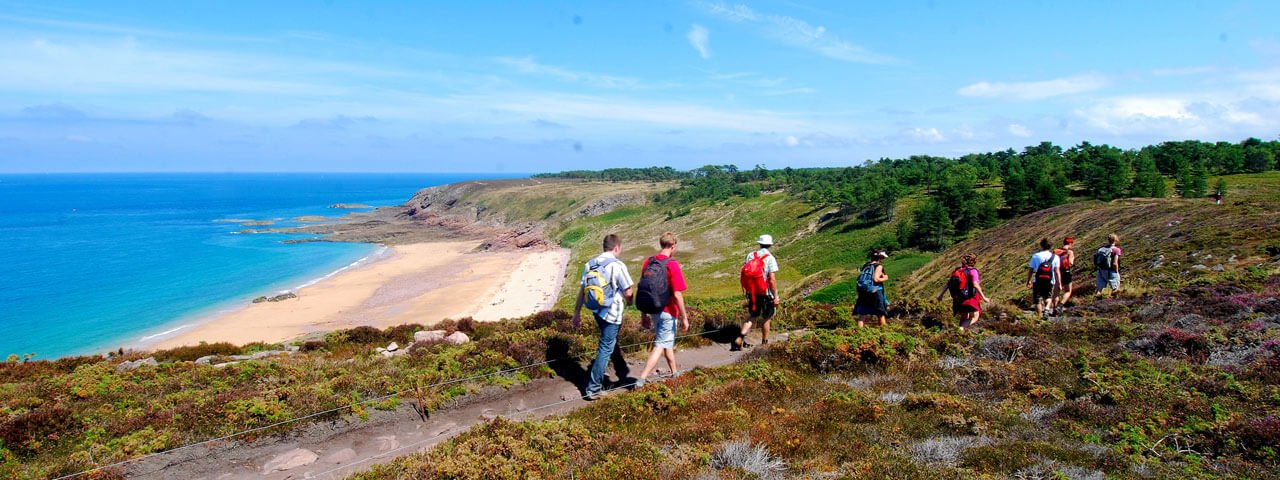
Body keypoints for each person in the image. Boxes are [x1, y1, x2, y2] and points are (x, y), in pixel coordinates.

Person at [572, 234, 635, 400]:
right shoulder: (617, 265)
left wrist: (577, 313)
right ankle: (593, 388)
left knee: (609, 343)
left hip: (597, 311)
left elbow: (582, 291)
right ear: (616, 248)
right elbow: (628, 291)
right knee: (605, 348)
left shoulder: (590, 264)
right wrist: (630, 302)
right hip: (612, 313)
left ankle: (612, 370)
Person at [635, 232, 689, 388]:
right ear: (673, 246)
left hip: (653, 309)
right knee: (660, 344)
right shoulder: (672, 264)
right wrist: (684, 317)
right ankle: (642, 378)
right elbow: (678, 294)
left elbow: (643, 289)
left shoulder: (649, 262)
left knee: (666, 341)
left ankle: (674, 372)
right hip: (668, 310)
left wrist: (643, 314)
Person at [736, 234, 779, 350]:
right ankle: (765, 343)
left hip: (753, 292)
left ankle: (740, 337)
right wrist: (775, 296)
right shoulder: (770, 258)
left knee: (753, 315)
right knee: (767, 317)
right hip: (765, 293)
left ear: (759, 243)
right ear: (770, 245)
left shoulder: (750, 255)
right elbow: (771, 279)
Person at [936, 253, 987, 332]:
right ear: (973, 261)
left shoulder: (957, 270)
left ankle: (960, 334)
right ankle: (960, 330)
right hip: (969, 299)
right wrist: (983, 297)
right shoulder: (972, 271)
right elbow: (975, 284)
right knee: (975, 316)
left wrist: (941, 295)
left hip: (958, 299)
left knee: (965, 316)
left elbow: (948, 284)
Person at [854, 249, 890, 327]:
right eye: (882, 258)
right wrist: (885, 278)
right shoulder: (879, 266)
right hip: (876, 291)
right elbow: (876, 279)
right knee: (880, 313)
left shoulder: (866, 265)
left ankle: (858, 332)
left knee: (863, 314)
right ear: (880, 258)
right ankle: (885, 332)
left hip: (864, 291)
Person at [1093, 233, 1123, 297]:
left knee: (1099, 289)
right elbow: (1115, 263)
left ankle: (1095, 301)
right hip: (1111, 271)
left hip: (1101, 270)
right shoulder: (1116, 250)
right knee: (1115, 288)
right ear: (1116, 240)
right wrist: (1116, 272)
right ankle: (1115, 302)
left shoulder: (1101, 249)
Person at [1053, 237, 1077, 310]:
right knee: (1068, 290)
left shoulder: (1056, 251)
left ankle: (1054, 307)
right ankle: (1060, 305)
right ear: (1070, 243)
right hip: (1065, 272)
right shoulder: (1070, 252)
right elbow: (1070, 263)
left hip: (1056, 272)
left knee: (1057, 290)